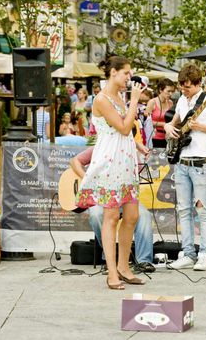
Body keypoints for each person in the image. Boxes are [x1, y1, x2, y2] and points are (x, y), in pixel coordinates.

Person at [75, 55, 144, 290]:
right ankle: (112, 272)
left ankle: (124, 267)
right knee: (111, 217)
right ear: (113, 72)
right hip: (110, 161)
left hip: (125, 160)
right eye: (126, 73)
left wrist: (138, 145)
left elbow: (124, 130)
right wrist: (135, 101)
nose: (129, 78)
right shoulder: (102, 98)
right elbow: (124, 127)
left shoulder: (119, 97)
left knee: (132, 215)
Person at [164, 64, 206, 271]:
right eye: (182, 87)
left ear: (199, 84)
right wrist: (167, 127)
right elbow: (173, 123)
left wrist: (200, 127)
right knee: (183, 210)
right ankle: (188, 252)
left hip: (200, 162)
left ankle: (205, 254)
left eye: (188, 87)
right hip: (181, 161)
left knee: (202, 210)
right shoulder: (182, 100)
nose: (184, 90)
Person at [70, 147, 155, 273]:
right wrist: (87, 178)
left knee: (144, 215)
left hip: (124, 199)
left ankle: (144, 261)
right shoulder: (101, 146)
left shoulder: (130, 151)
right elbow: (74, 161)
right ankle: (109, 257)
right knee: (96, 215)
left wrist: (141, 159)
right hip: (102, 198)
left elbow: (133, 176)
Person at [146, 78, 176, 148]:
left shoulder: (170, 103)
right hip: (154, 138)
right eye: (168, 91)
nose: (170, 94)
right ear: (160, 90)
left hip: (167, 138)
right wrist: (164, 124)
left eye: (172, 91)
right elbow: (147, 123)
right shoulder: (152, 102)